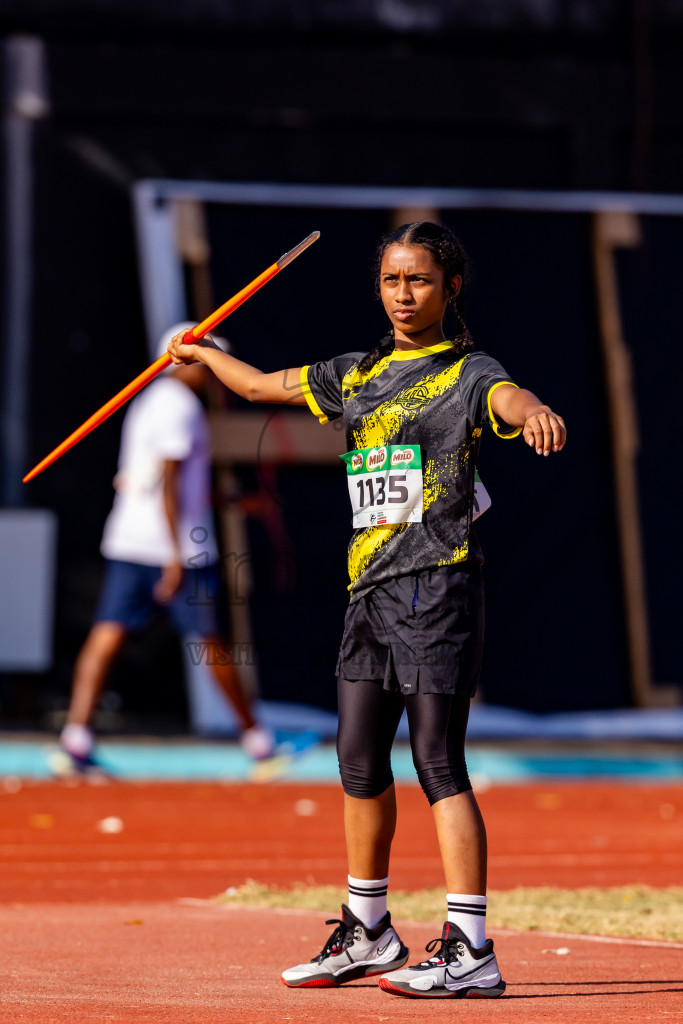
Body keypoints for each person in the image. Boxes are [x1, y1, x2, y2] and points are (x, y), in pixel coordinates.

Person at [167, 222, 566, 999]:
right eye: (390, 281)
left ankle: (470, 947)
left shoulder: (467, 371)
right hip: (369, 591)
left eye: (417, 280)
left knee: (436, 762)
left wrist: (535, 408)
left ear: (450, 288)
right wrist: (202, 352)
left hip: (436, 585)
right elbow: (257, 387)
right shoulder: (356, 372)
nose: (402, 295)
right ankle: (369, 930)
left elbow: (507, 399)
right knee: (356, 760)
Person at [53, 323, 275, 776]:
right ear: (185, 360)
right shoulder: (180, 407)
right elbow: (170, 483)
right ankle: (259, 742)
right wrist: (175, 553)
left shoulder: (149, 402)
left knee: (108, 632)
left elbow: (173, 482)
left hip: (129, 539)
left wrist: (229, 502)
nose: (214, 372)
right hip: (174, 548)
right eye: (207, 360)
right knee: (210, 642)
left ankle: (75, 737)